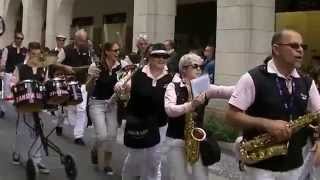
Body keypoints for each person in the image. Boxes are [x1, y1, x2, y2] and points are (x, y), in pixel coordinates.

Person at [225, 29, 320, 180]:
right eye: (294, 46)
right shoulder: (252, 78)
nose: (300, 50)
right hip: (260, 166)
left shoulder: (307, 82)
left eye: (303, 46)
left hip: (294, 165)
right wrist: (265, 123)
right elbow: (231, 116)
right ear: (276, 49)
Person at [164, 53, 234, 180]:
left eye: (201, 67)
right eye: (195, 66)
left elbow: (224, 90)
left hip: (196, 140)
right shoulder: (173, 86)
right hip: (176, 139)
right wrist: (191, 105)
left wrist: (250, 86)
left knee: (201, 176)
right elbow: (170, 110)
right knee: (179, 177)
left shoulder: (201, 85)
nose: (199, 69)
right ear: (184, 68)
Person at [115, 43, 173, 180]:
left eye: (164, 56)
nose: (161, 59)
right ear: (149, 57)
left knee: (154, 160)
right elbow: (121, 85)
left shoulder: (171, 77)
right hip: (139, 124)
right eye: (157, 56)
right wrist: (121, 87)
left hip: (159, 124)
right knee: (135, 158)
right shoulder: (137, 74)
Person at [86, 42, 127, 174]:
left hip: (112, 103)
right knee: (102, 136)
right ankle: (95, 149)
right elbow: (87, 88)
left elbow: (126, 82)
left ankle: (108, 164)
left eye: (118, 50)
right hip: (96, 103)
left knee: (112, 135)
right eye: (114, 50)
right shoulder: (95, 66)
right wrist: (92, 78)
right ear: (107, 52)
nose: (117, 53)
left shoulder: (122, 66)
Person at [11, 42, 50, 174]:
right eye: (33, 54)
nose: (35, 57)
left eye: (38, 55)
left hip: (38, 104)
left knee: (39, 130)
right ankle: (20, 154)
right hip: (24, 103)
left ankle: (37, 160)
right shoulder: (20, 68)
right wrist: (14, 92)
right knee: (23, 130)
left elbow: (45, 84)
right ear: (28, 53)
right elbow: (13, 84)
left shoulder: (43, 69)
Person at [57, 29, 91, 145]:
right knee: (65, 109)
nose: (83, 42)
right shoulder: (65, 50)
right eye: (81, 40)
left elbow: (90, 64)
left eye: (84, 40)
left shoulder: (87, 50)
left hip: (81, 83)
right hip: (68, 83)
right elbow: (56, 63)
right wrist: (65, 67)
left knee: (81, 109)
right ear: (76, 39)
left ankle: (78, 135)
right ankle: (59, 123)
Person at [0, 32, 27, 103]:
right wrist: (2, 74)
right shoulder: (7, 49)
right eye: (18, 38)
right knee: (8, 96)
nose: (20, 40)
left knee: (19, 97)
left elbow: (25, 63)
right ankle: (7, 111)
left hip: (19, 76)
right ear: (15, 38)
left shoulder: (25, 50)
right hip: (9, 74)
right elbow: (3, 63)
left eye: (21, 39)